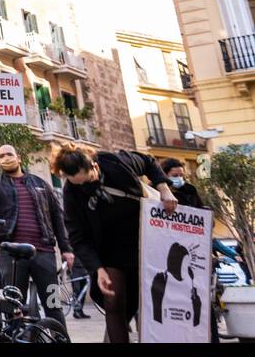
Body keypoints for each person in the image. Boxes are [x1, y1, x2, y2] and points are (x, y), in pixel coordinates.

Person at [51, 142, 177, 343]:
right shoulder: (72, 192)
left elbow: (148, 161)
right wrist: (98, 269)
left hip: (145, 239)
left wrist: (164, 188)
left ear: (94, 165)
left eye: (87, 180)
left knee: (146, 300)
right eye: (77, 183)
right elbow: (77, 236)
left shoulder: (114, 162)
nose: (84, 186)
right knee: (113, 299)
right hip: (109, 249)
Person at [0, 144, 73, 328]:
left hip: (44, 253)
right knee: (13, 307)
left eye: (9, 154)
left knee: (53, 304)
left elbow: (57, 217)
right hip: (10, 255)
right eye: (1, 156)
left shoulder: (40, 184)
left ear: (19, 158)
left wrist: (66, 249)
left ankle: (60, 338)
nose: (6, 158)